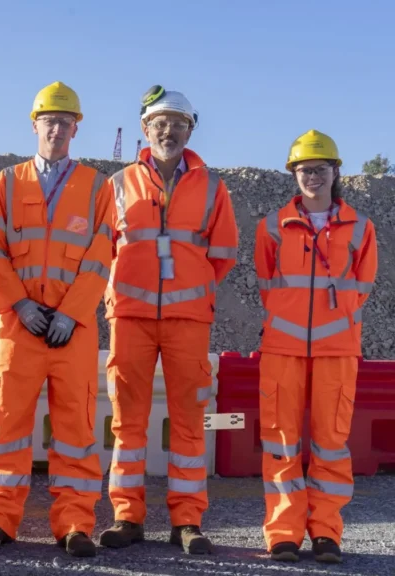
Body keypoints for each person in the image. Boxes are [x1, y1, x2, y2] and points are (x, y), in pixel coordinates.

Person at [0, 82, 112, 558]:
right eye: (49, 120)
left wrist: (71, 314)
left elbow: (100, 256)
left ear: (76, 128)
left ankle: (75, 524)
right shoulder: (8, 183)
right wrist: (21, 305)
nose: (57, 128)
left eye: (65, 121)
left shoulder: (96, 186)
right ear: (35, 125)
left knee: (76, 430)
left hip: (72, 331)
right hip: (20, 325)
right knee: (5, 424)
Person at [100, 86, 239, 554]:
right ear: (145, 129)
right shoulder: (117, 184)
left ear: (191, 130)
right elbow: (101, 252)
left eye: (178, 122)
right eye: (160, 122)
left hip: (187, 320)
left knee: (187, 423)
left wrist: (188, 290)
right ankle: (127, 516)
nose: (169, 130)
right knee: (128, 422)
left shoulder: (214, 187)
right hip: (131, 318)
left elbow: (222, 255)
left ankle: (187, 520)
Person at [253, 130, 376, 564]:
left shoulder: (362, 228)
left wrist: (329, 324)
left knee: (330, 444)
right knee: (282, 442)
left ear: (335, 172)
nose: (312, 177)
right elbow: (269, 287)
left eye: (320, 170)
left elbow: (360, 289)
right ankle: (283, 533)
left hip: (337, 352)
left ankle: (327, 533)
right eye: (304, 170)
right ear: (294, 174)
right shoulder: (271, 226)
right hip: (283, 350)